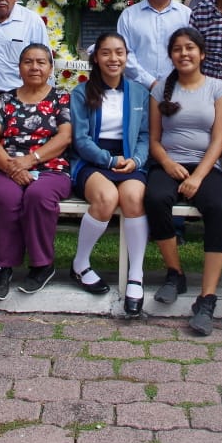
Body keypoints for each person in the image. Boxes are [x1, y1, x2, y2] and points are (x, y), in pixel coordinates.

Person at [146, 27, 222, 335]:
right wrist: (167, 163)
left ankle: (207, 297)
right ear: (171, 55)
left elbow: (219, 140)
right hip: (169, 163)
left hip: (205, 166)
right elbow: (154, 139)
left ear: (202, 53)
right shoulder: (160, 90)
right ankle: (175, 273)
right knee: (155, 199)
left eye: (190, 48)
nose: (184, 53)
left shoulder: (217, 89)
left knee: (220, 207)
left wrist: (198, 176)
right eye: (178, 49)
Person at [69, 32, 152, 317]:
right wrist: (107, 159)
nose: (113, 59)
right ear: (96, 58)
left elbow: (143, 135)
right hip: (92, 160)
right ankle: (80, 264)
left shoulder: (140, 92)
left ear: (127, 57)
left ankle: (136, 275)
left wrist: (136, 159)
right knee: (106, 198)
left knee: (133, 197)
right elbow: (80, 139)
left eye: (119, 52)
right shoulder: (81, 92)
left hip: (129, 159)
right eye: (106, 53)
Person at [0, 43, 74, 300]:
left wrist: (30, 160)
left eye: (41, 62)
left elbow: (65, 137)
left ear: (50, 68)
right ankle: (3, 266)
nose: (34, 67)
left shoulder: (61, 98)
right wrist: (12, 168)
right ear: (19, 67)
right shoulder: (6, 98)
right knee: (5, 197)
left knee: (37, 196)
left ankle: (42, 264)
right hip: (7, 169)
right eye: (28, 62)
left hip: (50, 170)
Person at [118, 0, 193, 90]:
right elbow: (124, 53)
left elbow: (191, 53)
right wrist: (151, 83)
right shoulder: (129, 15)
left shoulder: (186, 15)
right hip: (137, 89)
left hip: (177, 90)